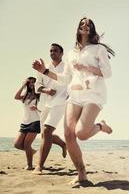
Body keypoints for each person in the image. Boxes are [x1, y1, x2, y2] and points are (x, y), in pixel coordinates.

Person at [32, 17, 114, 184]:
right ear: (78, 29)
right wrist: (45, 71)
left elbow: (107, 73)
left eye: (88, 24)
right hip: (74, 96)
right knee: (69, 135)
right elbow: (65, 78)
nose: (85, 26)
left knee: (81, 133)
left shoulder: (98, 49)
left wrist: (87, 68)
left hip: (93, 95)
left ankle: (100, 126)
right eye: (82, 24)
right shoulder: (71, 53)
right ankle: (81, 173)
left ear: (92, 29)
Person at [33, 43, 68, 174]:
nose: (53, 53)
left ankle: (39, 166)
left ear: (62, 53)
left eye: (56, 51)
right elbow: (37, 86)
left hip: (60, 103)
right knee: (44, 135)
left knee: (47, 131)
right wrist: (46, 90)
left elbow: (70, 83)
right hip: (45, 104)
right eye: (51, 51)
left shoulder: (66, 67)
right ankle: (63, 144)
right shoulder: (43, 67)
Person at [14, 77, 40, 170]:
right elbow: (16, 97)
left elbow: (45, 109)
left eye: (33, 82)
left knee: (26, 144)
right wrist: (23, 85)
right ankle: (31, 151)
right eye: (29, 83)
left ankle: (30, 165)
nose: (31, 84)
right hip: (25, 122)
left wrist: (37, 108)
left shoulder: (38, 95)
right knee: (17, 145)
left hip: (35, 121)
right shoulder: (25, 96)